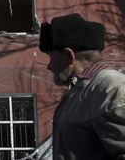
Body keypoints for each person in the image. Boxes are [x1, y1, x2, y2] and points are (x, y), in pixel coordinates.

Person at [39, 13, 125, 160]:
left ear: (68, 56)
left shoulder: (110, 88)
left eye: (51, 57)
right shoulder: (81, 91)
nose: (49, 66)